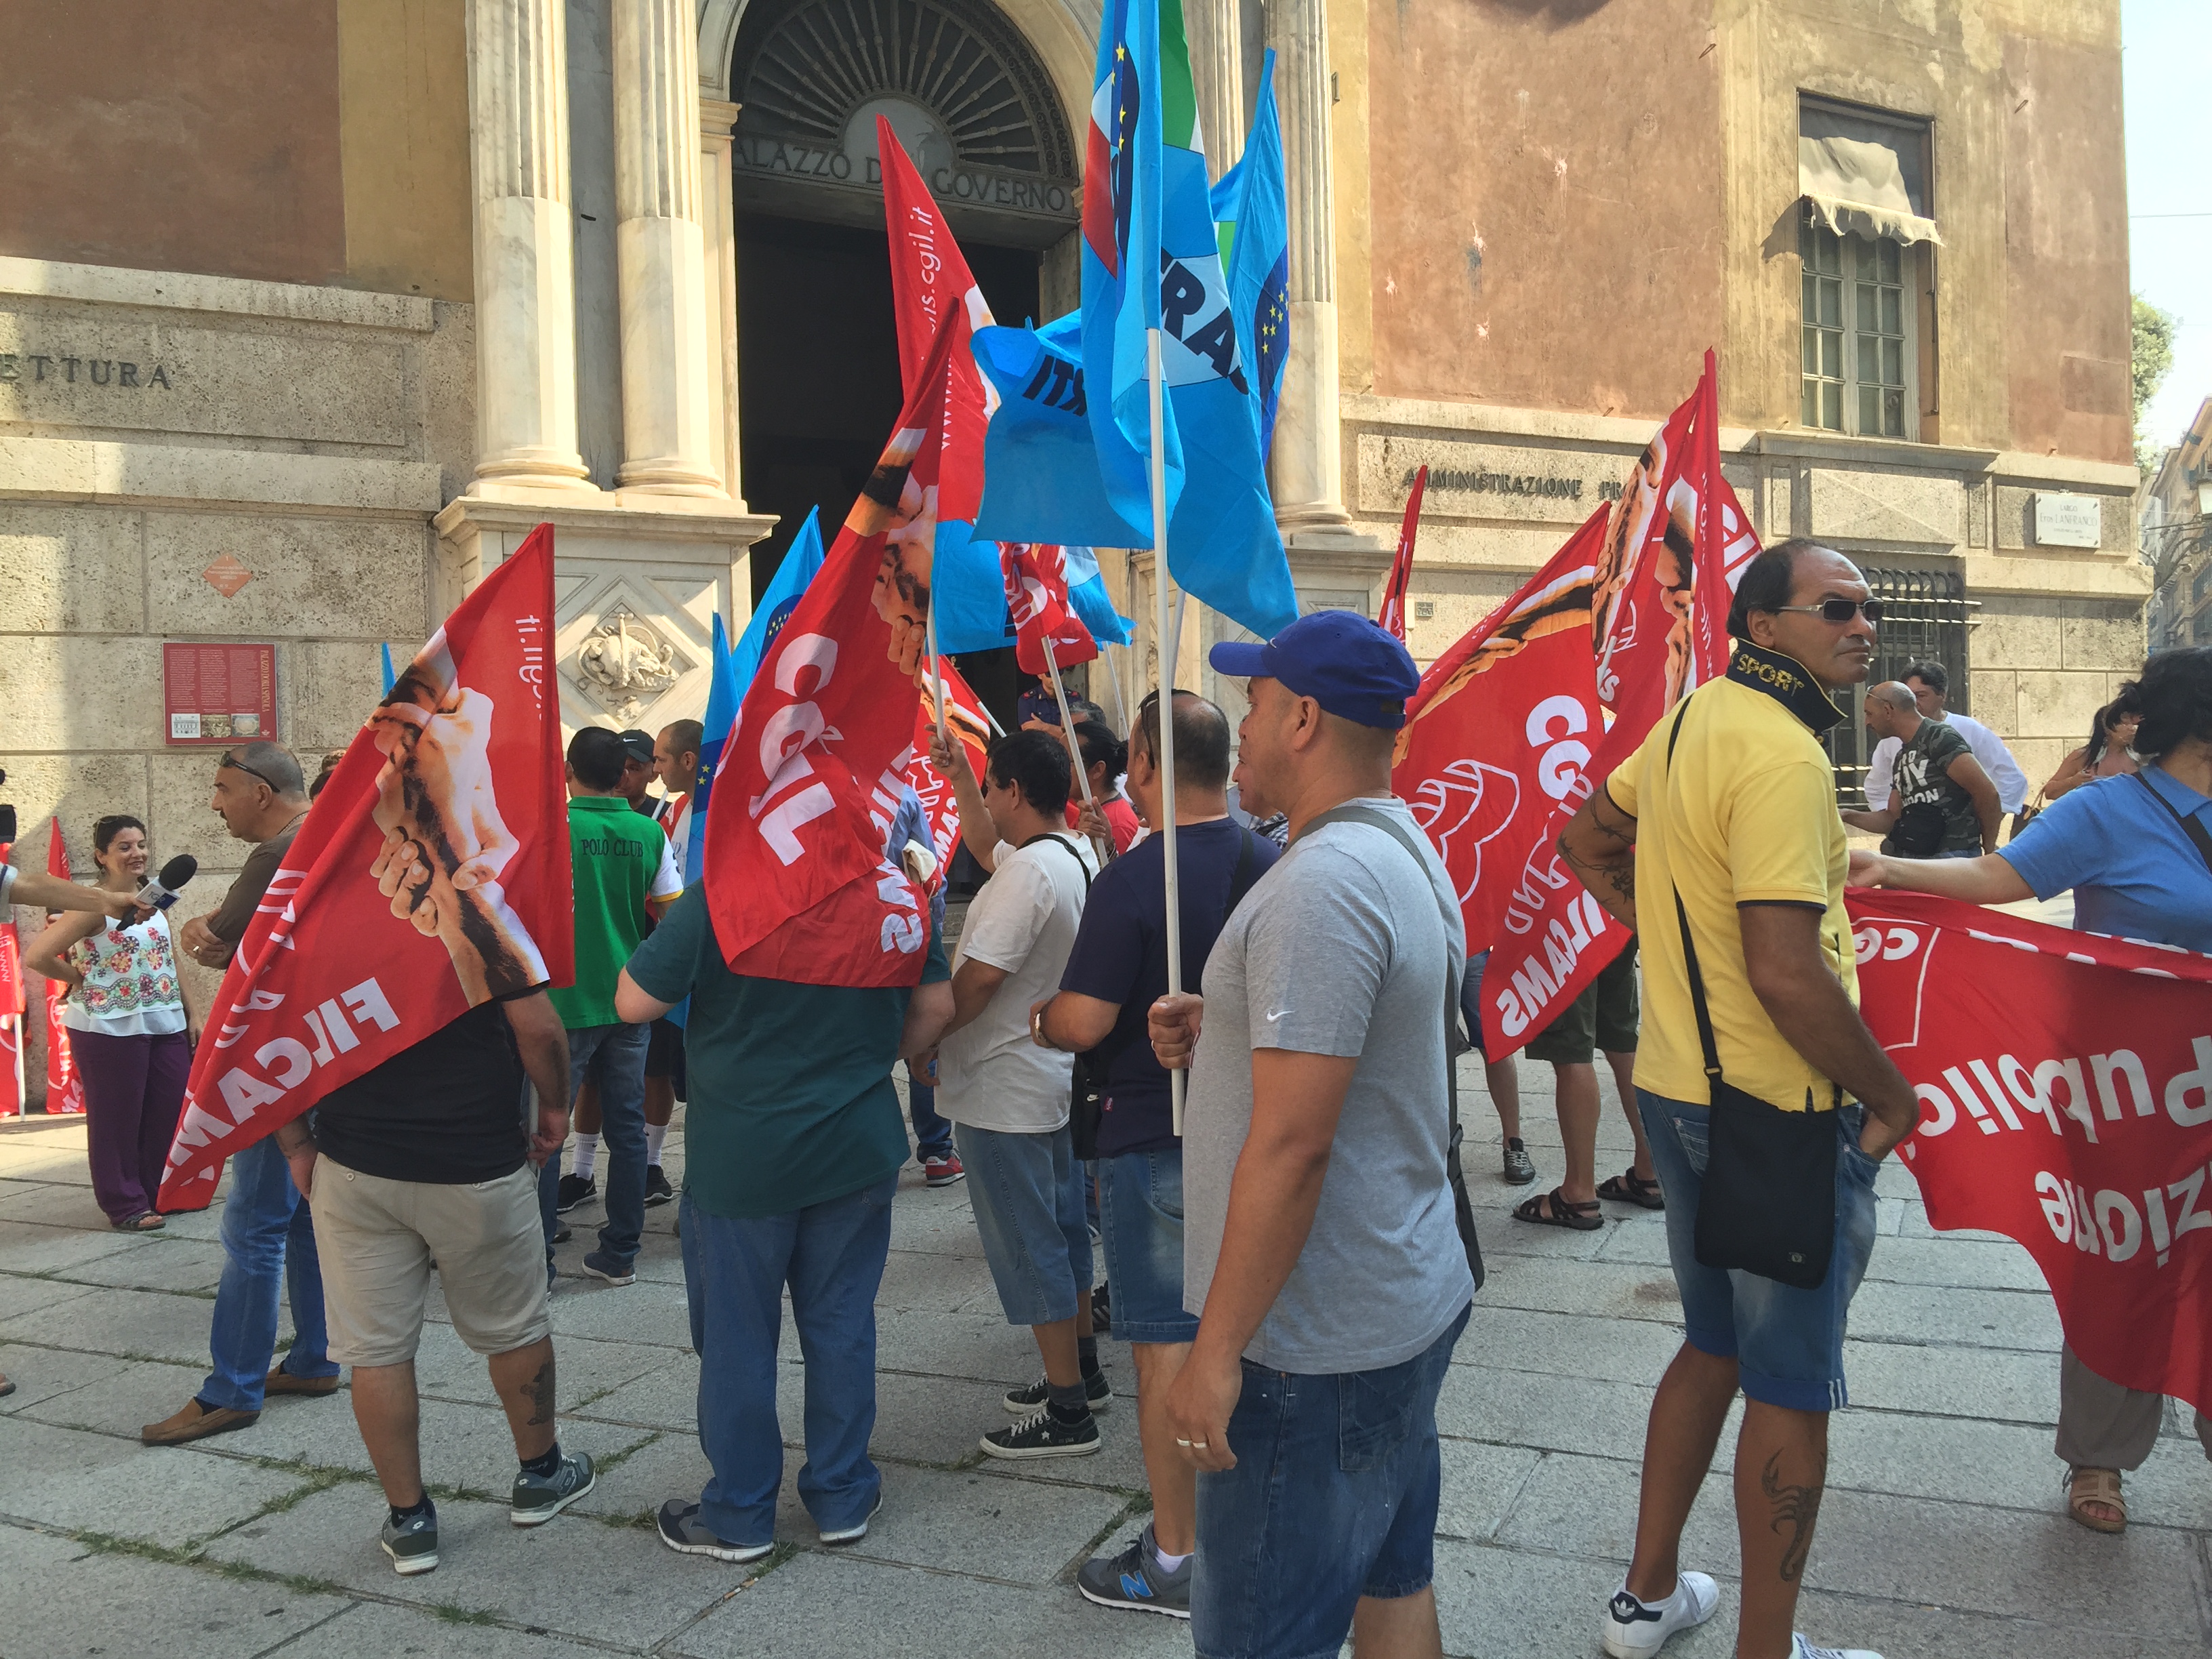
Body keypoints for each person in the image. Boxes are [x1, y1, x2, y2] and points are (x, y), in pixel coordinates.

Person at [1555, 541, 1918, 1659]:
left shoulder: (1688, 723)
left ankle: (1645, 1597)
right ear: (1759, 626)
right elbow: (1781, 969)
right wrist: (1888, 1096)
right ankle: (1766, 1648)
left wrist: (1670, 934)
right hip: (1774, 1111)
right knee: (1787, 1382)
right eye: (1832, 607)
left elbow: (1584, 839)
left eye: (1865, 608)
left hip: (1675, 1094)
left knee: (1709, 1343)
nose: (1859, 623)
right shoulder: (1780, 753)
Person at [1147, 611, 1474, 1659]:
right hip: (1397, 1300)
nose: (1238, 730)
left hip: (1313, 1345)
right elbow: (1398, 1034)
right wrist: (1234, 1027)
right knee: (1393, 1587)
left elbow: (1294, 1148)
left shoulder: (1322, 886)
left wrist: (1217, 1352)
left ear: (1303, 718)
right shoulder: (1399, 846)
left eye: (1251, 704)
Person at [1851, 647, 2212, 1534]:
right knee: (2126, 1263)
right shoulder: (2109, 810)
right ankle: (2100, 1459)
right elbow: (1998, 880)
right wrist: (1892, 872)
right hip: (2131, 1089)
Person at [614, 865, 954, 1562]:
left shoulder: (728, 892)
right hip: (856, 1141)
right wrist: (861, 1059)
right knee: (842, 1324)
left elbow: (632, 1002)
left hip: (746, 1153)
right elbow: (937, 1008)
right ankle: (842, 1494)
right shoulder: (897, 889)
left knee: (738, 1334)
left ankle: (740, 1511)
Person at [1032, 689, 1277, 1618]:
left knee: (1166, 1357)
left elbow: (1085, 1019)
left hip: (1157, 1138)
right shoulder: (1275, 861)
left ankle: (1176, 1559)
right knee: (1250, 1344)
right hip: (1257, 1136)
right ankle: (1238, 1526)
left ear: (1140, 763)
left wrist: (1044, 1018)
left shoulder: (1132, 880)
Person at [276, 965, 589, 1575]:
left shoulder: (308, 909)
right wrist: (555, 1107)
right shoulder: (472, 901)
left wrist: (295, 1143)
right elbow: (539, 1027)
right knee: (515, 1327)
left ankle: (409, 1518)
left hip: (353, 1163)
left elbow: (258, 1032)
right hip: (476, 1161)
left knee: (377, 1350)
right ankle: (541, 1474)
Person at [145, 743, 342, 1446]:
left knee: (253, 1226)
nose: (214, 802)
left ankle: (232, 1387)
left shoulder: (274, 854)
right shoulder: (330, 835)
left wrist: (204, 933)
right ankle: (318, 1357)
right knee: (299, 1217)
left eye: (223, 788)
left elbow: (217, 942)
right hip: (322, 1049)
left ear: (262, 791)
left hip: (274, 1059)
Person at [925, 724, 1103, 1459]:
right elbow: (982, 843)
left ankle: (1068, 1411)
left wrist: (922, 1041)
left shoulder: (1029, 875)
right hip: (1046, 1079)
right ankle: (1083, 1370)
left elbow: (979, 980)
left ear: (1018, 793)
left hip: (1003, 1085)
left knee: (1029, 1245)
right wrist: (967, 778)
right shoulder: (1068, 854)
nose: (988, 802)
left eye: (994, 788)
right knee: (1061, 1232)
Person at [543, 727, 681, 1286]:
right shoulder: (648, 831)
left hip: (562, 1004)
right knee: (628, 1130)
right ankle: (620, 1252)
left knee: (545, 1128)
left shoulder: (552, 829)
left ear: (569, 772)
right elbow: (674, 917)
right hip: (629, 1001)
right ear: (626, 772)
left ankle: (538, 1263)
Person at [25, 816, 198, 1231]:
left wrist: (192, 1013)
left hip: (164, 1019)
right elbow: (37, 957)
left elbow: (169, 957)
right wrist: (81, 979)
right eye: (124, 846)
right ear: (102, 856)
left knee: (168, 1109)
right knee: (118, 1117)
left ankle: (159, 1192)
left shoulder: (156, 897)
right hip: (108, 1025)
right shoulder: (93, 904)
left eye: (141, 844)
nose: (136, 853)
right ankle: (125, 1205)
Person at [1510, 944, 1662, 1226]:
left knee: (1571, 1051)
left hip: (1563, 924)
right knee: (1622, 1039)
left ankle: (1578, 1193)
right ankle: (1650, 1171)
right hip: (1612, 920)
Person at [885, 781, 962, 1187]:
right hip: (906, 928)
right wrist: (928, 928)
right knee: (924, 1034)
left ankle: (877, 1150)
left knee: (865, 1041)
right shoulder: (902, 793)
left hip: (843, 938)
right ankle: (937, 1151)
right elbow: (928, 867)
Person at [1841, 682, 2000, 857]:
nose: (1867, 722)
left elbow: (1986, 792)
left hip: (1952, 860)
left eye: (1869, 714)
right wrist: (1846, 815)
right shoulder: (1902, 755)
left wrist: (1989, 846)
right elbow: (1892, 818)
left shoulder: (1939, 737)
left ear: (1888, 710)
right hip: (1918, 861)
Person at [1862, 659, 2028, 818]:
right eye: (1908, 696)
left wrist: (1988, 823)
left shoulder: (1969, 730)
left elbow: (2011, 778)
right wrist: (1896, 824)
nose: (1913, 703)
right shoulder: (1891, 739)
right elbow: (1877, 787)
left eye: (1920, 696)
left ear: (1942, 696)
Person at [1461, 951, 1537, 1184]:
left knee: (1494, 1042)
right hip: (1424, 936)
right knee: (1426, 1047)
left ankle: (1514, 1143)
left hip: (1472, 943)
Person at [1067, 718, 1142, 854]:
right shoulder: (1090, 813)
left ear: (1098, 770)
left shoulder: (1115, 825)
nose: (1058, 767)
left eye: (1067, 761)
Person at [2042, 700, 2141, 799]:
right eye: (2124, 723)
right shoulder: (2082, 757)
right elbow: (2050, 792)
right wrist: (2072, 782)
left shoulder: (2140, 759)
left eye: (2133, 724)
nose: (2132, 728)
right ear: (2107, 728)